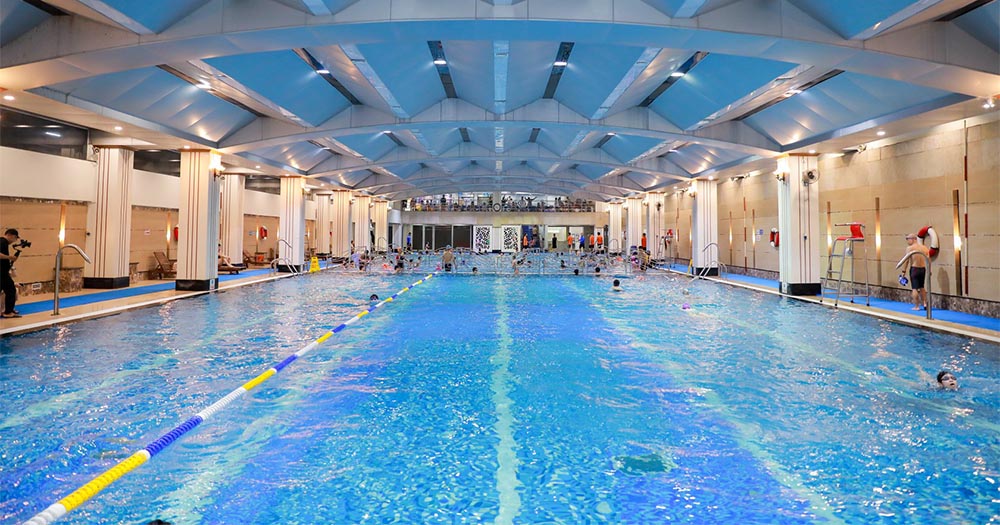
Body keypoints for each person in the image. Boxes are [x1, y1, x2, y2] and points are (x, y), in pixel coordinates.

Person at [901, 233, 931, 310]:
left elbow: (906, 260)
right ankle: (925, 303)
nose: (907, 241)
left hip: (914, 269)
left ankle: (917, 306)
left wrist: (903, 271)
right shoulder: (924, 248)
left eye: (908, 239)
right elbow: (929, 260)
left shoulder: (910, 248)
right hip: (923, 269)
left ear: (913, 239)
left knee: (914, 288)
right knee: (922, 287)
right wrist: (929, 270)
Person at [1, 228, 21, 318]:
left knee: (10, 290)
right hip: (2, 272)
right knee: (11, 290)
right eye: (15, 238)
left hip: (3, 272)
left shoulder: (3, 242)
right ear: (11, 235)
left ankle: (9, 310)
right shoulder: (3, 242)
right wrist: (10, 257)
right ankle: (8, 312)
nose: (14, 241)